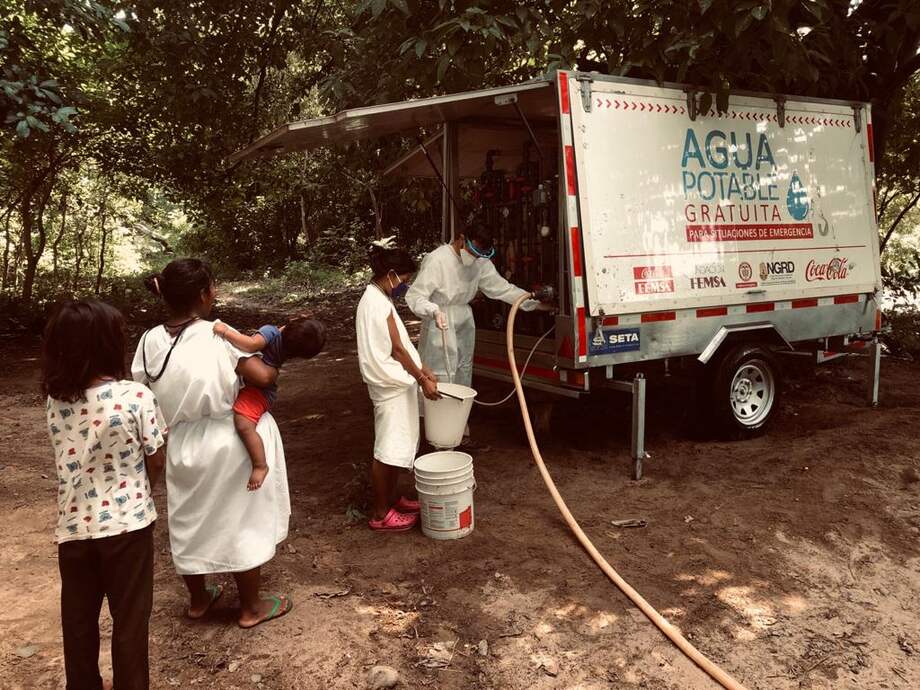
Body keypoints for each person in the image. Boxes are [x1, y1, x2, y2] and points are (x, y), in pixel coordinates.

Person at [133, 258, 292, 629]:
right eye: (213, 288)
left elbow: (144, 386)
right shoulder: (216, 334)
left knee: (189, 519)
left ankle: (199, 599)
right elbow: (258, 374)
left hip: (182, 440)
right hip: (228, 439)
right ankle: (251, 606)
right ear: (204, 294)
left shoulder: (148, 340)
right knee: (240, 519)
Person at [42, 299, 167, 690]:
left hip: (74, 527)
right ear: (108, 344)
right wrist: (146, 490)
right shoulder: (136, 397)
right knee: (130, 622)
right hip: (128, 527)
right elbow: (156, 457)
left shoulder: (55, 400)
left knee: (78, 624)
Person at [405, 221, 551, 446]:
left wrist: (533, 302)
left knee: (463, 376)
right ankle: (435, 438)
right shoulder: (437, 259)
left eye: (482, 253)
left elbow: (502, 289)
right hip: (439, 321)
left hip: (463, 320)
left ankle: (460, 434)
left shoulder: (481, 262)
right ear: (462, 238)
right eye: (473, 250)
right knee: (440, 378)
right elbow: (414, 297)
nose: (475, 257)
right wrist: (433, 310)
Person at [356, 240, 441, 532]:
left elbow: (402, 344)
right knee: (387, 450)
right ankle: (380, 513)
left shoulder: (379, 298)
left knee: (398, 445)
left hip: (396, 382)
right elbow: (398, 350)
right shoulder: (374, 301)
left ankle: (392, 499)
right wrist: (421, 379)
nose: (404, 286)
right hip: (389, 385)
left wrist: (423, 368)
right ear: (390, 274)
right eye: (404, 281)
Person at [213, 317, 326, 491]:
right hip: (258, 387)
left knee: (243, 424)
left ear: (291, 321)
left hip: (258, 392)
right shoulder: (280, 339)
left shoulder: (271, 332)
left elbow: (250, 345)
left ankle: (260, 464)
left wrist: (226, 332)